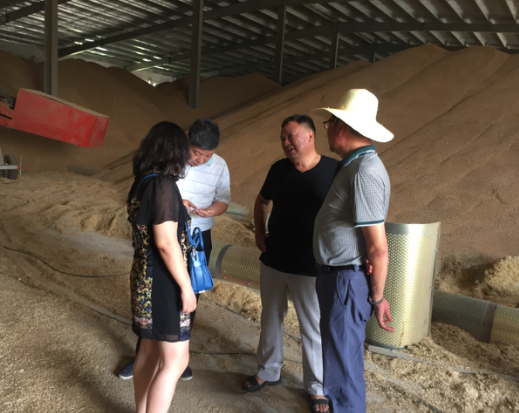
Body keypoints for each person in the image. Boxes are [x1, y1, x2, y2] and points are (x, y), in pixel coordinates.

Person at [119, 118, 231, 381]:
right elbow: (165, 239)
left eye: (208, 155)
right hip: (169, 237)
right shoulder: (165, 173)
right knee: (165, 295)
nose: (200, 159)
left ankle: (174, 350)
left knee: (188, 297)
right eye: (196, 152)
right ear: (183, 144)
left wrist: (209, 211)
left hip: (196, 236)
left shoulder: (218, 166)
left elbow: (223, 199)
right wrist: (177, 204)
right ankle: (155, 354)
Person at [241, 115, 338, 413]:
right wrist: (259, 232)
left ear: (310, 136)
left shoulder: (334, 170)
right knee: (271, 318)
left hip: (311, 265)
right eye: (282, 137)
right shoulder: (278, 170)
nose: (285, 142)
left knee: (312, 327)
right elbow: (262, 201)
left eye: (291, 136)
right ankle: (268, 370)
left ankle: (317, 387)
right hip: (275, 258)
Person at [312, 89, 395, 413]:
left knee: (343, 373)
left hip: (345, 282)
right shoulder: (352, 167)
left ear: (342, 127)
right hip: (338, 280)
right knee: (337, 364)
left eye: (329, 122)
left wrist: (377, 297)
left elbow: (378, 249)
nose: (327, 128)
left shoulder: (364, 173)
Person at [127, 121, 196, 413]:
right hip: (164, 283)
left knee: (149, 350)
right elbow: (166, 243)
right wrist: (186, 287)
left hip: (144, 277)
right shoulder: (163, 185)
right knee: (176, 361)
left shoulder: (143, 182)